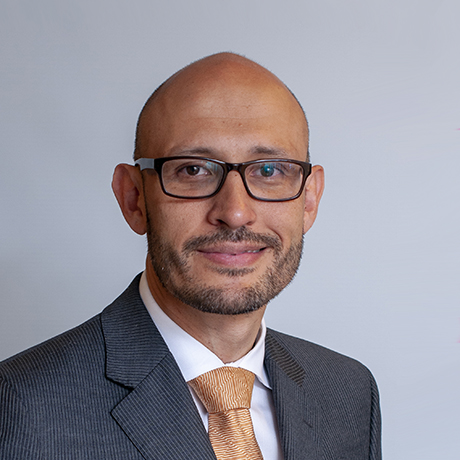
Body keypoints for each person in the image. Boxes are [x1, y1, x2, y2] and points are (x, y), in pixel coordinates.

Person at [0, 53, 381, 459]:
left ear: (309, 199)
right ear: (133, 198)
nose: (235, 212)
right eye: (193, 170)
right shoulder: (21, 407)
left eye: (269, 170)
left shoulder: (348, 393)